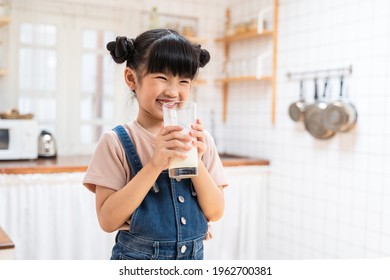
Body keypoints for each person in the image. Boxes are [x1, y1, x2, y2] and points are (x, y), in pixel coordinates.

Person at [83, 29, 228, 260]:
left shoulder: (202, 141)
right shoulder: (116, 142)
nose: (173, 91)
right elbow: (107, 220)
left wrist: (195, 161)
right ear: (132, 79)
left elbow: (216, 211)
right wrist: (154, 164)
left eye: (183, 81)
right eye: (161, 77)